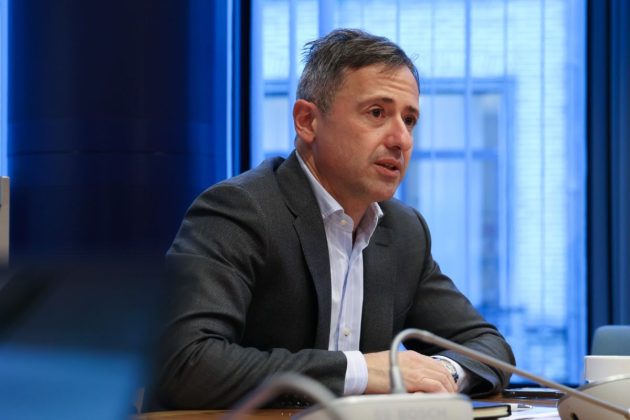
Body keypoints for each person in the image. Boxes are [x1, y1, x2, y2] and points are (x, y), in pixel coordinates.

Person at [155, 28, 514, 410]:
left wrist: (440, 373)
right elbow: (186, 364)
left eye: (409, 120)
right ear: (307, 121)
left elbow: (490, 348)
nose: (402, 139)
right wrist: (362, 371)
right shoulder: (240, 210)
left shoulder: (404, 231)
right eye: (377, 113)